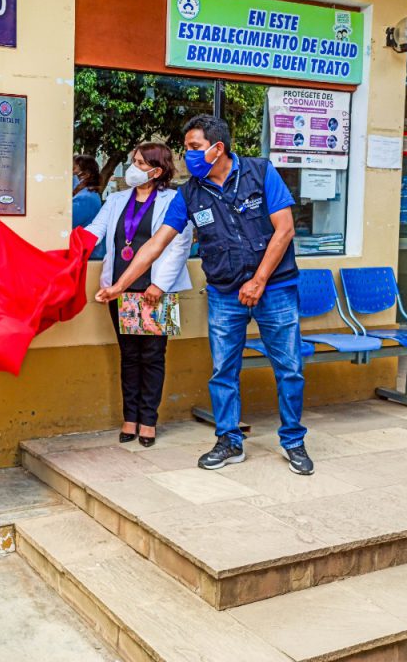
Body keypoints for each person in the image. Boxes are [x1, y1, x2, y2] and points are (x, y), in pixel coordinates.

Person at [97, 115, 313, 475]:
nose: (189, 156)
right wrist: (120, 286)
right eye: (186, 149)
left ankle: (293, 441)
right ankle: (229, 440)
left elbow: (284, 230)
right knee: (223, 371)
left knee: (289, 368)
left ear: (218, 148)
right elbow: (156, 244)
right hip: (225, 291)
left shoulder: (261, 173)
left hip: (274, 288)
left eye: (194, 148)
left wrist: (259, 280)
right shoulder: (189, 193)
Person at [85, 141, 192, 446]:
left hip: (154, 291)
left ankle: (148, 420)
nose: (133, 168)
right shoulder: (116, 199)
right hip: (119, 289)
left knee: (153, 356)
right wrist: (69, 248)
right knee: (129, 356)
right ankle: (129, 418)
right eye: (133, 161)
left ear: (157, 170)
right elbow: (95, 231)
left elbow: (179, 246)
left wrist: (160, 286)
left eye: (140, 164)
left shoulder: (174, 200)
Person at [73, 154, 106, 260]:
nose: (71, 174)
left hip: (88, 256)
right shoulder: (86, 195)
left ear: (85, 175)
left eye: (73, 169)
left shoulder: (85, 198)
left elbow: (65, 223)